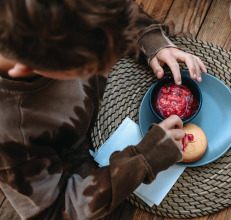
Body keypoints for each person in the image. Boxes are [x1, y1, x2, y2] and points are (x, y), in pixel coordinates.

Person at [0, 0, 207, 219]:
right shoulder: (11, 134)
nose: (111, 67)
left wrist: (149, 39)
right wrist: (143, 160)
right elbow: (56, 211)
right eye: (90, 66)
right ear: (26, 68)